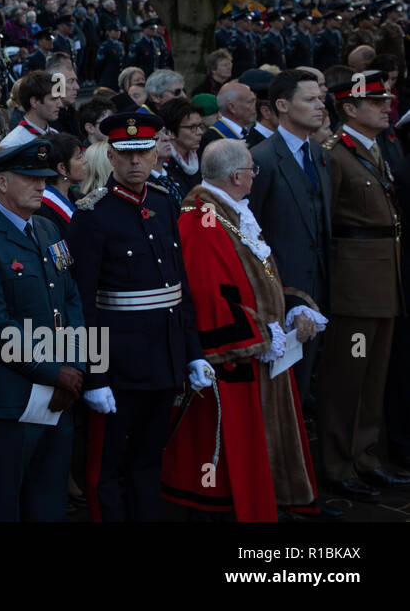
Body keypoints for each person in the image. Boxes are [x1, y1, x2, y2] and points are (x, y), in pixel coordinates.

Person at [162, 140, 322, 520]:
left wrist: (292, 305)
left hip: (260, 350)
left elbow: (257, 278)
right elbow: (207, 292)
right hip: (236, 358)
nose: (254, 176)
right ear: (237, 176)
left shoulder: (230, 213)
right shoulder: (201, 216)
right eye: (252, 170)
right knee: (228, 459)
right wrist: (257, 336)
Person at [69, 112, 210, 521]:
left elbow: (178, 288)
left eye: (143, 153)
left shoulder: (165, 203)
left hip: (163, 358)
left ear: (154, 155)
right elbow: (84, 303)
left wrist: (193, 352)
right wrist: (95, 377)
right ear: (111, 157)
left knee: (149, 460)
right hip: (118, 365)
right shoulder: (92, 215)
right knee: (107, 467)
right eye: (126, 154)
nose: (135, 162)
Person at [0, 139, 84, 521]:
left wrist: (75, 366)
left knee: (48, 505)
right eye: (29, 178)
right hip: (8, 399)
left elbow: (71, 301)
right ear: (0, 183)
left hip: (58, 394)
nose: (40, 186)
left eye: (44, 178)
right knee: (1, 507)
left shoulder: (48, 229)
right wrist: (55, 372)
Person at [317, 70, 406, 500]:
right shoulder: (335, 154)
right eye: (375, 101)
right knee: (349, 377)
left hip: (382, 285)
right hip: (353, 291)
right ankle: (338, 464)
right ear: (349, 109)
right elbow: (328, 226)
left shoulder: (372, 149)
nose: (386, 105)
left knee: (373, 377)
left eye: (385, 99)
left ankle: (365, 456)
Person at [249, 70, 332, 410]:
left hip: (321, 294)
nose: (321, 107)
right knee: (281, 401)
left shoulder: (320, 153)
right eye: (310, 100)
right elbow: (252, 238)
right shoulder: (262, 159)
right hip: (283, 302)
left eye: (321, 99)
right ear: (282, 105)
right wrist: (283, 300)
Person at [0, 70, 62, 147]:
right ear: (34, 102)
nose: (60, 104)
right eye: (53, 99)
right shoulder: (12, 143)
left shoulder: (56, 134)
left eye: (59, 98)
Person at [200, 82, 256, 156]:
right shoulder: (213, 139)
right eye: (250, 102)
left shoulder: (248, 132)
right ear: (232, 107)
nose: (255, 106)